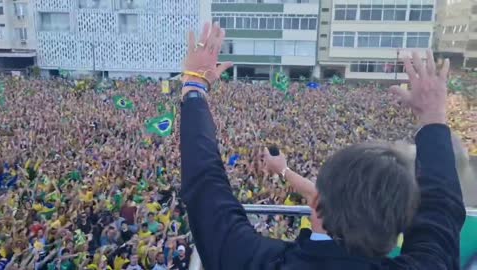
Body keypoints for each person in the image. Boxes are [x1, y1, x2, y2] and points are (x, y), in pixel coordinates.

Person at [179, 22, 465, 270]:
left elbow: (205, 182)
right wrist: (433, 118)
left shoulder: (252, 261)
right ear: (402, 222)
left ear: (315, 202)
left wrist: (195, 85)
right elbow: (441, 209)